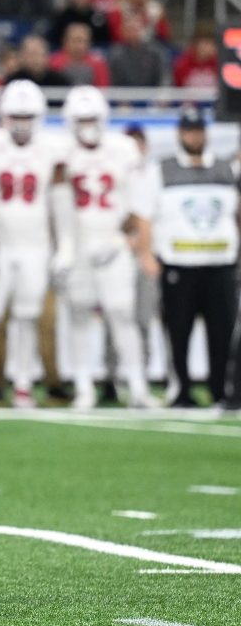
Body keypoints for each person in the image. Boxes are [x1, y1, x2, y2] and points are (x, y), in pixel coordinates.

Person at [0, 80, 71, 408]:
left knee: (27, 315)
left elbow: (60, 202)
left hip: (35, 246)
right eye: (16, 115)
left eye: (28, 115)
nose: (22, 122)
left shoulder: (54, 148)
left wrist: (65, 245)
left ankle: (23, 382)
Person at [58, 86, 158, 409]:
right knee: (79, 315)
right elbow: (55, 204)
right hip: (78, 242)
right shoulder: (61, 152)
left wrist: (125, 240)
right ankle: (84, 386)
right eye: (82, 118)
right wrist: (63, 247)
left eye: (93, 117)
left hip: (113, 243)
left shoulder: (124, 148)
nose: (88, 124)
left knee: (122, 314)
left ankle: (138, 387)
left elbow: (137, 200)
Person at [134, 106, 238, 407]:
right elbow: (144, 215)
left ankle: (221, 391)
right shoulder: (162, 169)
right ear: (180, 134)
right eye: (189, 131)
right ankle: (181, 391)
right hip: (180, 263)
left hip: (220, 264)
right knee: (178, 332)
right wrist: (147, 253)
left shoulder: (224, 168)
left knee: (222, 333)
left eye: (198, 131)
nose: (194, 136)